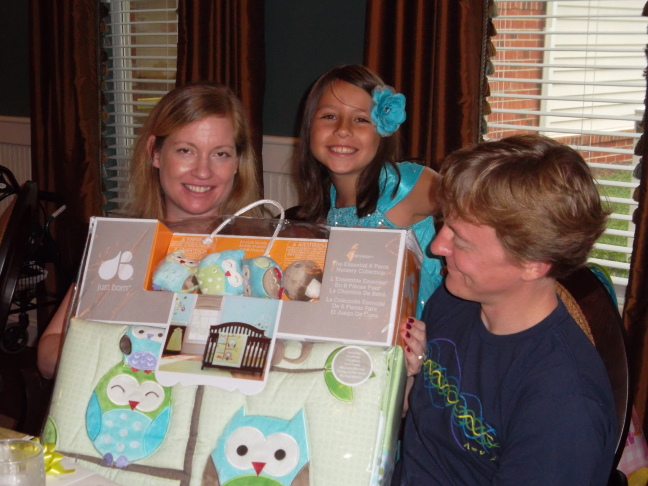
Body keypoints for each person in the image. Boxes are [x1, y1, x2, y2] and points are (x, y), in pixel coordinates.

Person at [393, 134, 617, 485]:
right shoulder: (455, 301)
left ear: (533, 263)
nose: (437, 246)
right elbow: (415, 422)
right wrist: (409, 374)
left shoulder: (564, 404)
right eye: (445, 225)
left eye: (460, 240)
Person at [37, 82, 263, 379]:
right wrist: (128, 350)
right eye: (186, 150)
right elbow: (48, 354)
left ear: (237, 163)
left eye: (220, 154)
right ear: (155, 153)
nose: (203, 171)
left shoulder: (260, 254)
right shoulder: (123, 246)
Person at [293, 65, 442, 362]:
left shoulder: (410, 185)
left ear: (382, 132)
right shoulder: (328, 205)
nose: (343, 129)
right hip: (366, 356)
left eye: (361, 119)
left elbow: (480, 209)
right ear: (309, 126)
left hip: (428, 355)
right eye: (329, 116)